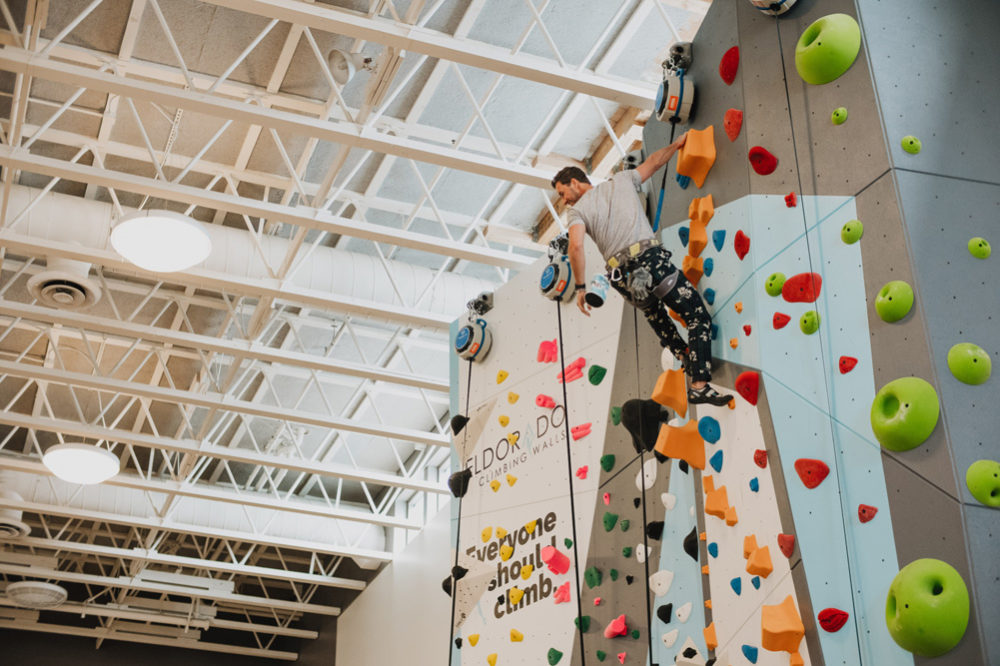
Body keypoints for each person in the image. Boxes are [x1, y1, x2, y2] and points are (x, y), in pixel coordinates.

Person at [552, 133, 732, 406]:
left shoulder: (577, 213)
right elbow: (655, 162)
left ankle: (683, 354)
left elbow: (575, 247)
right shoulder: (622, 181)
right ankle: (699, 384)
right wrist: (677, 143)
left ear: (574, 182)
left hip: (622, 278)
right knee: (696, 315)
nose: (565, 200)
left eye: (563, 193)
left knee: (653, 311)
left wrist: (580, 287)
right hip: (649, 262)